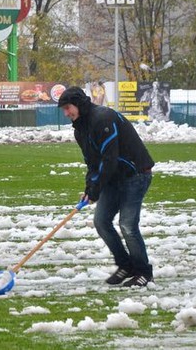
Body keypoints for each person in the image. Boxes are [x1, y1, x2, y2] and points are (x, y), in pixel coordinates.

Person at [57, 86, 155, 287]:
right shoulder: (80, 129)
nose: (66, 113)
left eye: (68, 108)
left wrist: (96, 188)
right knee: (101, 222)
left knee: (128, 225)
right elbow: (92, 163)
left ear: (79, 104)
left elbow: (109, 158)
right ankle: (126, 265)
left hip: (135, 174)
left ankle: (144, 272)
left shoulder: (103, 119)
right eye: (64, 110)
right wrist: (89, 188)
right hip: (113, 178)